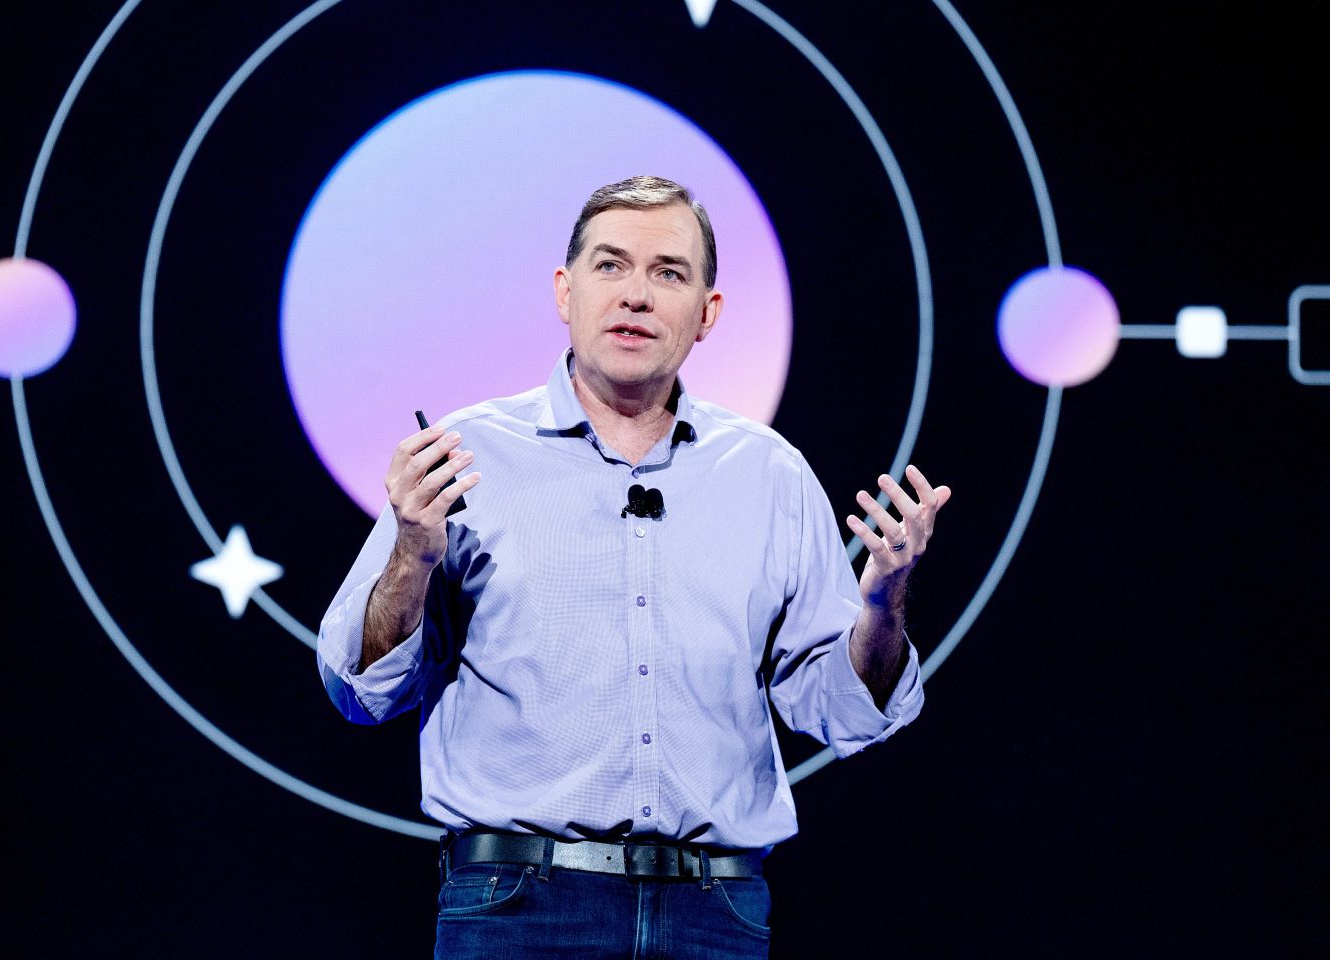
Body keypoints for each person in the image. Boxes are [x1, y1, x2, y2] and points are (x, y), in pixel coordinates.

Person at [317, 176, 951, 958]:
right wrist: (411, 557)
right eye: (611, 266)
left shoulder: (769, 475)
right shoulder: (461, 457)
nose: (636, 296)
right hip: (518, 909)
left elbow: (838, 709)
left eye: (669, 273)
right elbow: (358, 687)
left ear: (708, 313)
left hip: (716, 913)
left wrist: (884, 603)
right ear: (565, 291)